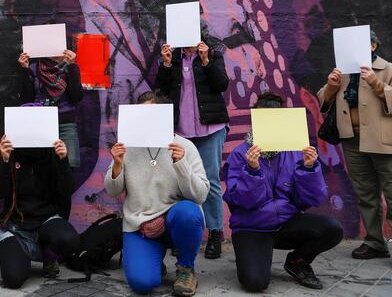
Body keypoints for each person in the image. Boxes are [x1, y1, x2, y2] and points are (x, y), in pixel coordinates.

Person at [224, 93, 343, 291]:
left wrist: (308, 169)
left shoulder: (295, 150)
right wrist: (252, 171)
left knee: (332, 228)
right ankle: (254, 255)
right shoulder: (240, 153)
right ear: (255, 122)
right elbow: (240, 201)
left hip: (286, 223)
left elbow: (314, 198)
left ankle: (297, 261)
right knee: (255, 283)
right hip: (251, 227)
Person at [106, 90, 209, 296]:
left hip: (175, 220)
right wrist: (118, 165)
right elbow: (112, 190)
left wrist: (181, 164)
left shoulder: (185, 146)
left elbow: (200, 195)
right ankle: (153, 261)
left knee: (188, 213)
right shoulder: (128, 146)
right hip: (142, 224)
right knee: (142, 283)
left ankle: (186, 269)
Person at [318, 31, 392, 269]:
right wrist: (332, 86)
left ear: (373, 45)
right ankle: (375, 242)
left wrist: (376, 84)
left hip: (385, 142)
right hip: (353, 141)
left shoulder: (390, 69)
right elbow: (323, 99)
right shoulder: (343, 72)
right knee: (365, 195)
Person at [156, 40, 228, 259]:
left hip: (210, 127)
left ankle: (215, 233)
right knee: (180, 180)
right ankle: (182, 235)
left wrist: (206, 61)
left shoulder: (213, 53)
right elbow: (159, 91)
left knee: (211, 180)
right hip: (181, 130)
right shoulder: (173, 57)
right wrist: (166, 65)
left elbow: (221, 85)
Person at [0, 132, 80, 289]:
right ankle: (25, 254)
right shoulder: (9, 152)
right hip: (15, 226)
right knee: (13, 279)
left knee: (69, 240)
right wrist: (4, 161)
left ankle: (48, 255)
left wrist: (63, 160)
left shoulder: (50, 153)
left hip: (46, 220)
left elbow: (67, 189)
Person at [17, 47, 84, 168]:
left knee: (69, 165)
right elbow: (26, 100)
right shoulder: (34, 68)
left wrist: (73, 66)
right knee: (41, 167)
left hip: (66, 125)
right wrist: (25, 70)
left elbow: (77, 97)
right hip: (40, 125)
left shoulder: (70, 67)